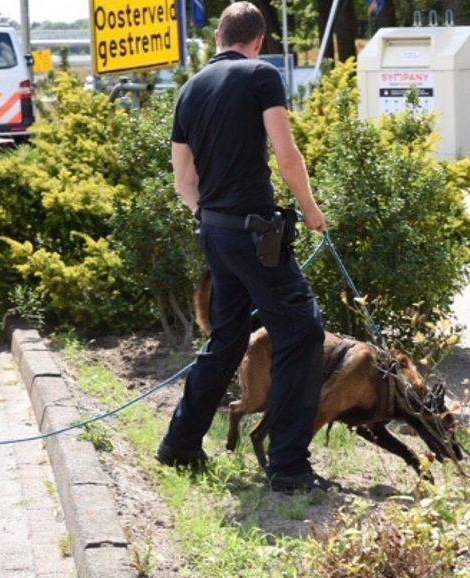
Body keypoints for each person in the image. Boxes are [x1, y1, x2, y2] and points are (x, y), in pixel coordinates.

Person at [157, 1, 335, 494]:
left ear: (218, 37)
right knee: (301, 331)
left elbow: (182, 176)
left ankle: (180, 443)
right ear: (258, 40)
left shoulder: (190, 88)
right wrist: (312, 209)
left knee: (229, 337)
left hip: (215, 231)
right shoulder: (262, 75)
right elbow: (285, 151)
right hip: (257, 236)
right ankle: (289, 468)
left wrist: (205, 216)